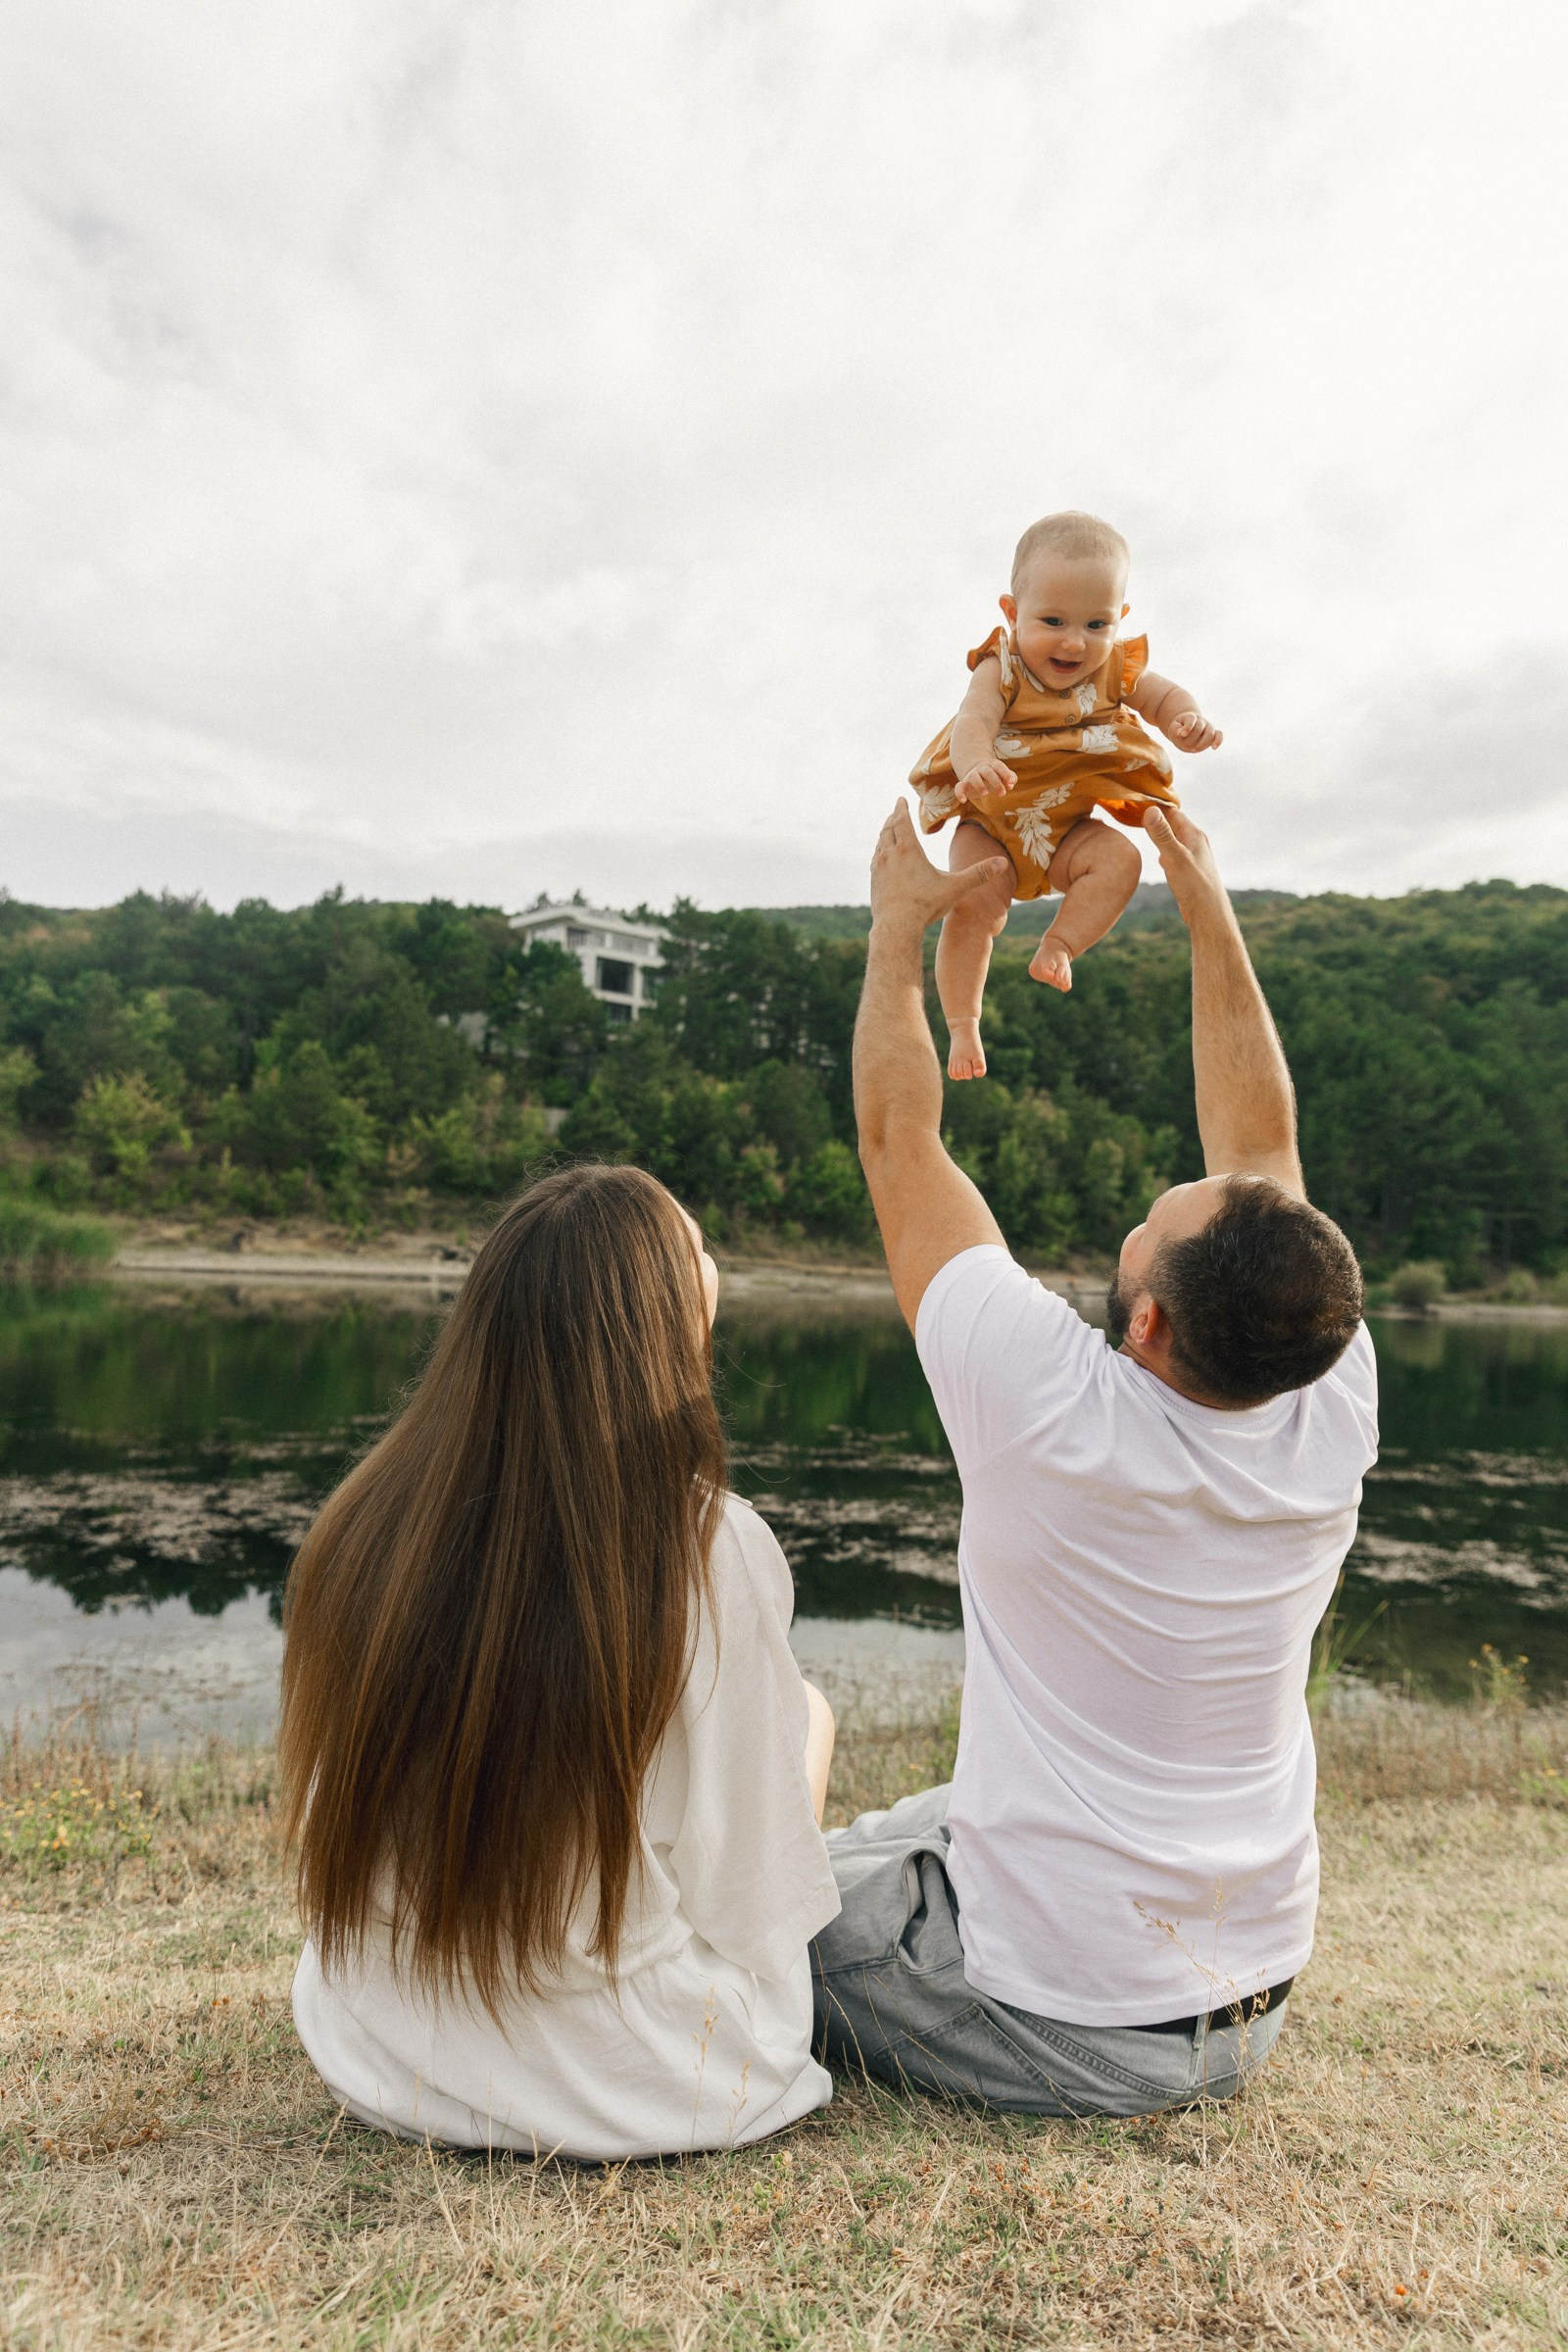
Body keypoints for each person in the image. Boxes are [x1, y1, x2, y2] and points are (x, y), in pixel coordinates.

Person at [812, 799, 1376, 2118]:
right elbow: (1263, 1149)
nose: (1145, 1213)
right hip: (1251, 2003)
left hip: (1063, 2026)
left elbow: (902, 1145)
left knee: (741, 1903)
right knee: (911, 1821)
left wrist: (898, 939)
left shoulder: (1047, 1408)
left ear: (1153, 1320)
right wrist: (1204, 900)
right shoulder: (1326, 1382)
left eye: (1144, 1226)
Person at [280, 1164, 840, 2161]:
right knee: (813, 1715)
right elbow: (753, 1897)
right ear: (660, 1315)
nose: (714, 1266)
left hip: (381, 2041)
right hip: (625, 2082)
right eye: (698, 1250)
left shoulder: (363, 1520)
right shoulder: (705, 1546)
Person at [910, 511, 1222, 1079]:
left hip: (1066, 832)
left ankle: (1059, 945)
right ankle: (961, 1025)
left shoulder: (1114, 669)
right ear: (1012, 613)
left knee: (1119, 860)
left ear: (1119, 621)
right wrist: (976, 762)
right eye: (1052, 620)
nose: (1075, 642)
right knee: (972, 907)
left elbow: (1164, 696)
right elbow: (972, 720)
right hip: (992, 825)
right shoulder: (999, 667)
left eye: (1097, 624)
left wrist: (1186, 720)